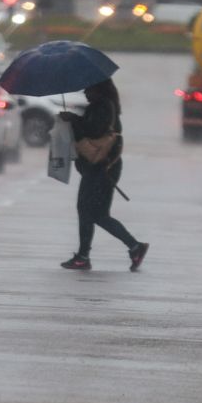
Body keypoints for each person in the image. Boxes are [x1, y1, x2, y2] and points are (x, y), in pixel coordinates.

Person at [57, 78, 148, 271]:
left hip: (102, 167)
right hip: (101, 167)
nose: (85, 92)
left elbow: (93, 131)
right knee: (96, 213)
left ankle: (85, 256)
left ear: (98, 88)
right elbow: (92, 127)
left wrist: (73, 120)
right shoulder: (103, 106)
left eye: (88, 88)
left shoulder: (104, 106)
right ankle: (133, 247)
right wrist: (74, 119)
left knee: (89, 211)